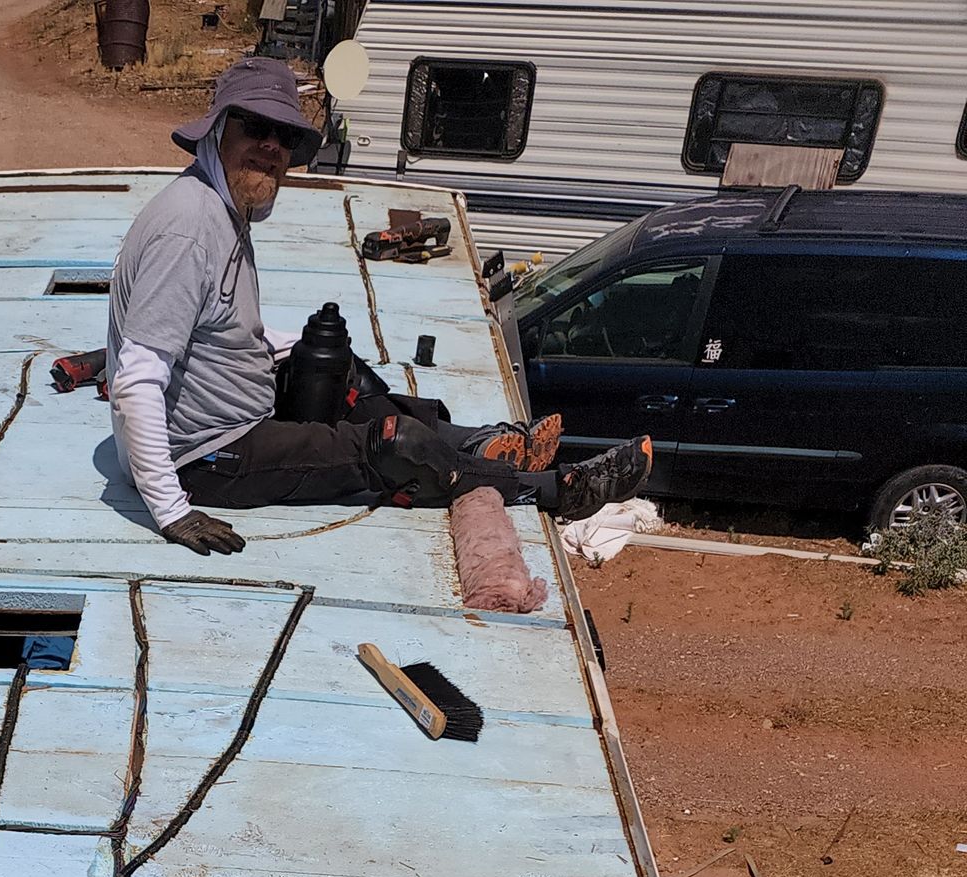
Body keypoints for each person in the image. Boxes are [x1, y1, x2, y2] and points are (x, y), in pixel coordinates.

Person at [107, 57, 652, 555]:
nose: (272, 147)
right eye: (255, 127)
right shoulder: (188, 231)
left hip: (236, 417)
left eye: (284, 136)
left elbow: (219, 324)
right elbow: (136, 380)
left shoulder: (219, 206)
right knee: (393, 447)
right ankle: (555, 490)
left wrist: (298, 350)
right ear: (219, 129)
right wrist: (171, 510)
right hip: (208, 458)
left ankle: (483, 443)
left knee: (340, 368)